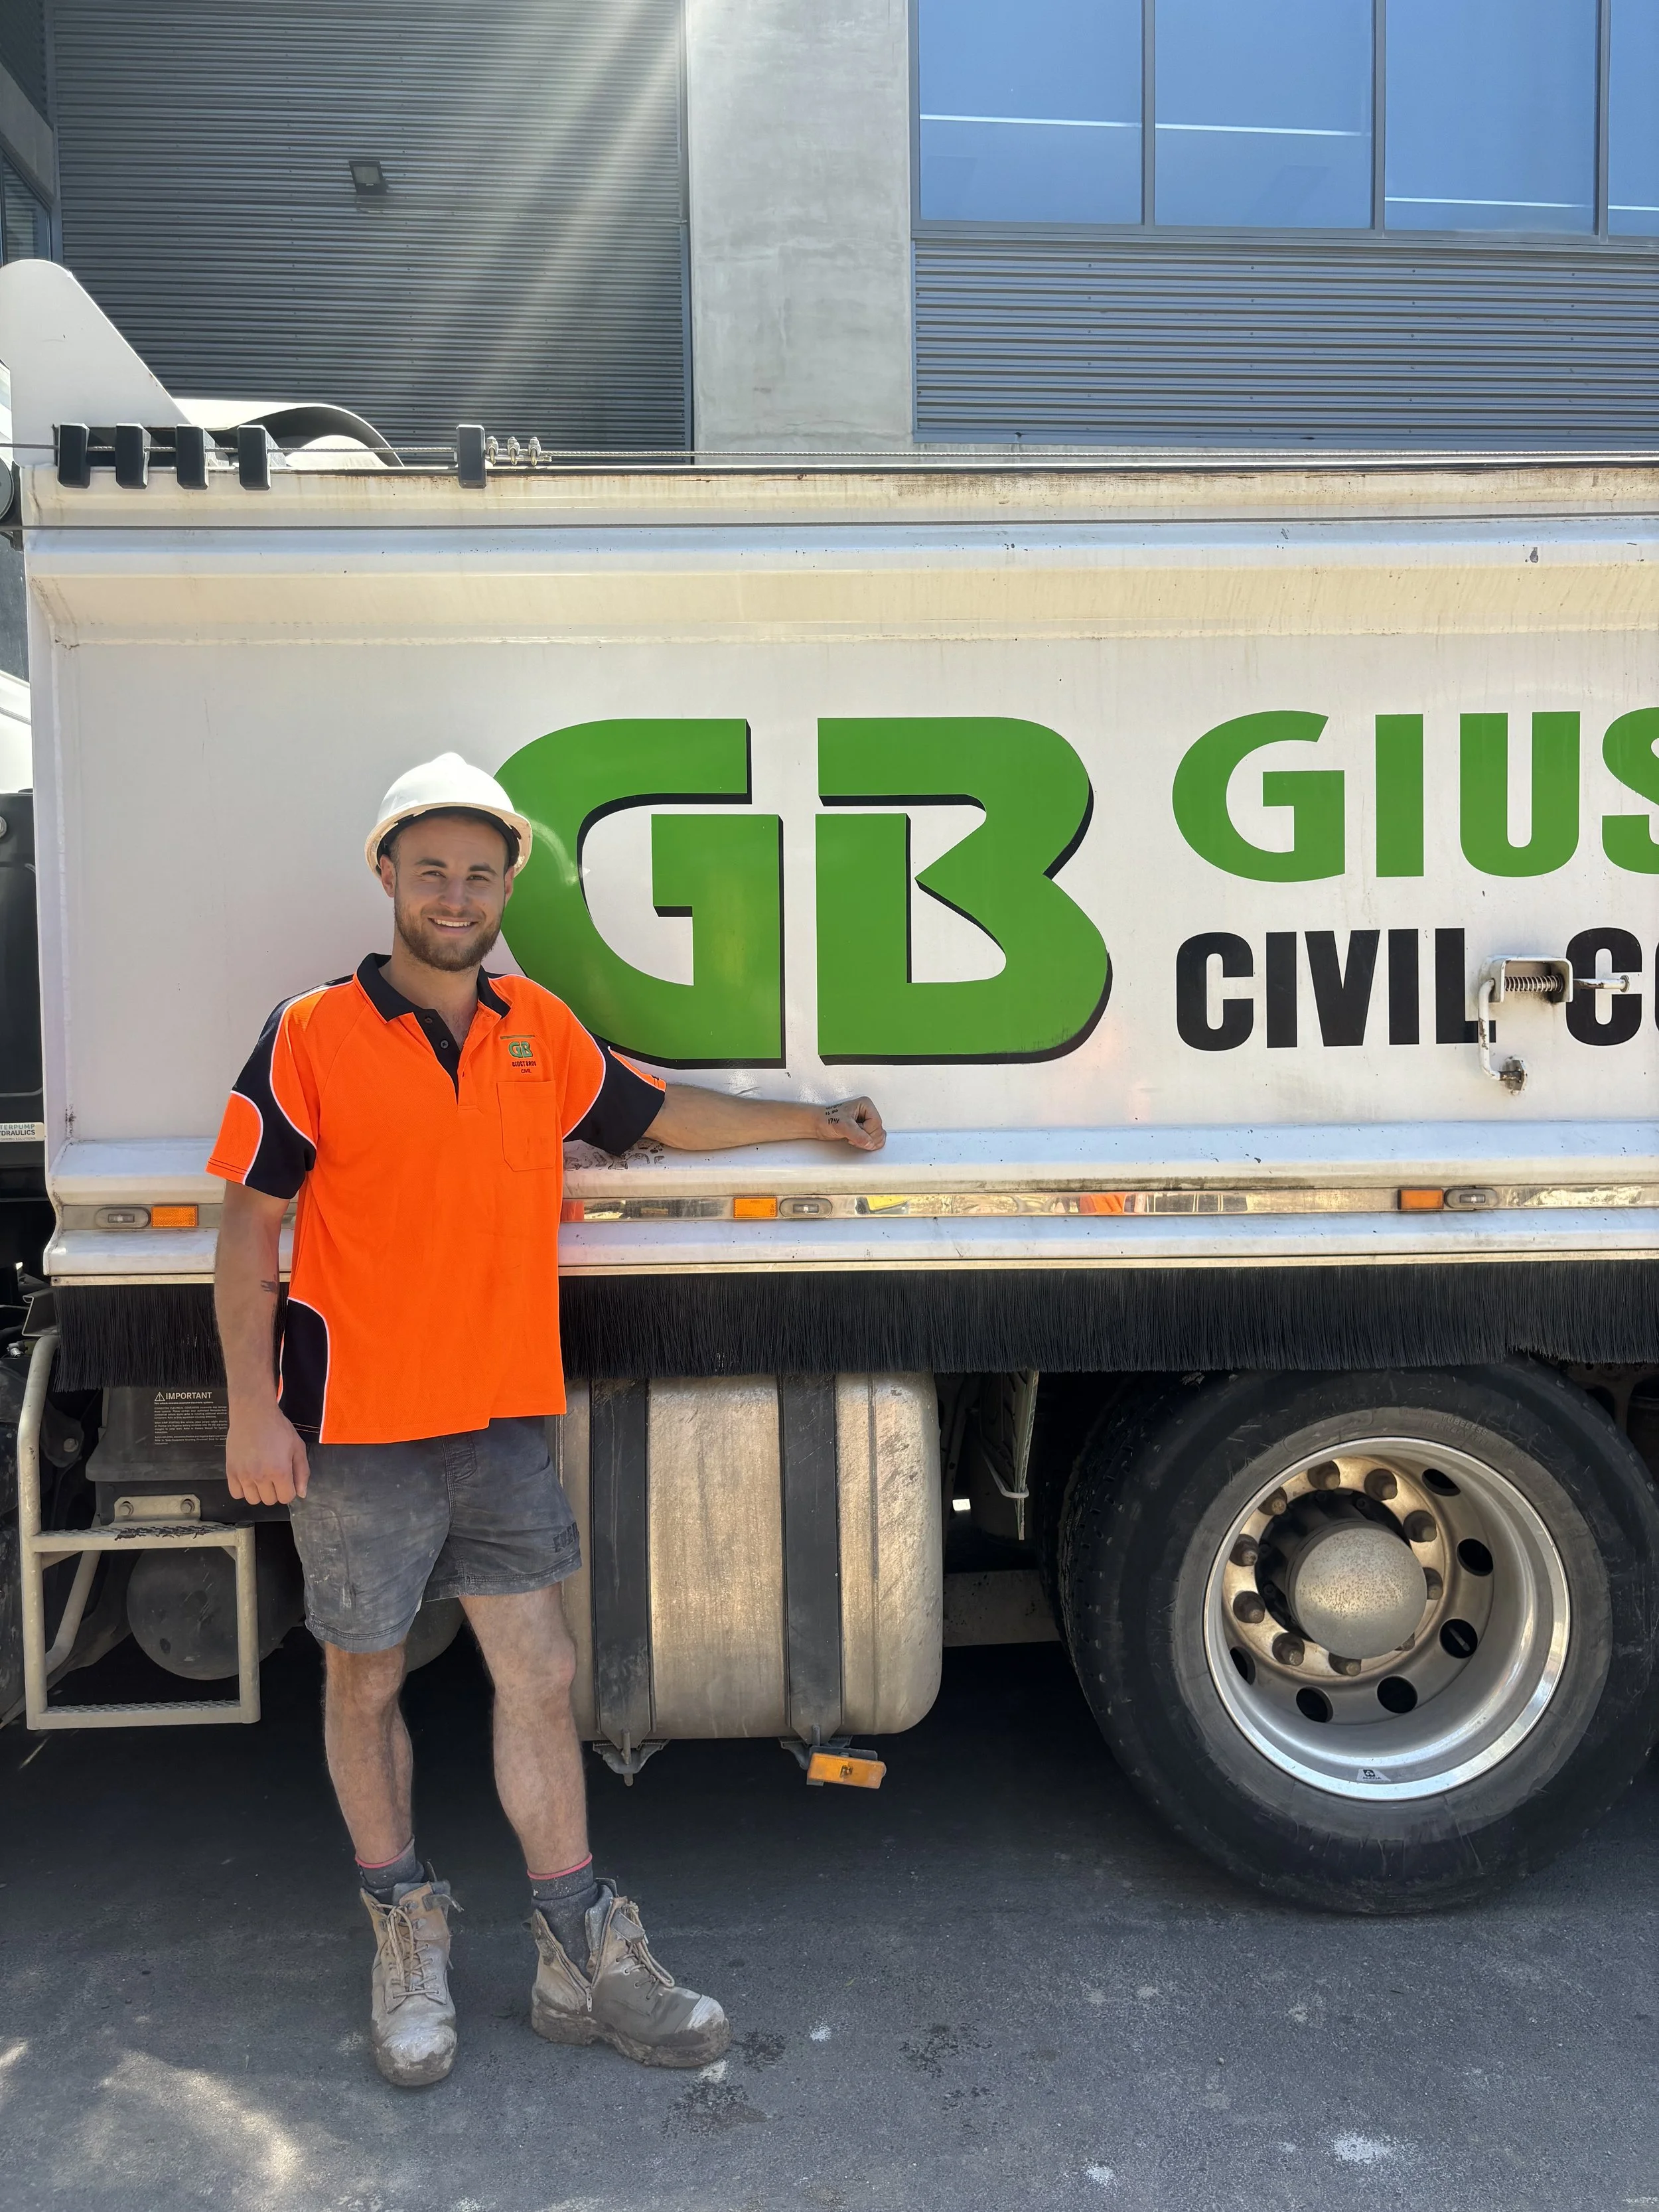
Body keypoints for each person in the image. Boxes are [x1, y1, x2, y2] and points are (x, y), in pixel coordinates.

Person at [210, 752, 885, 2089]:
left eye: (478, 872)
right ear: (386, 876)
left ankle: (579, 1953)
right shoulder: (310, 1033)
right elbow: (249, 1229)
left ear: (505, 882)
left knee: (543, 1673)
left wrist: (811, 1122)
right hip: (352, 1431)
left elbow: (654, 1113)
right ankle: (403, 1930)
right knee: (365, 1676)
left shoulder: (538, 1028)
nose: (454, 895)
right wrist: (251, 1410)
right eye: (430, 870)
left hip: (499, 1420)